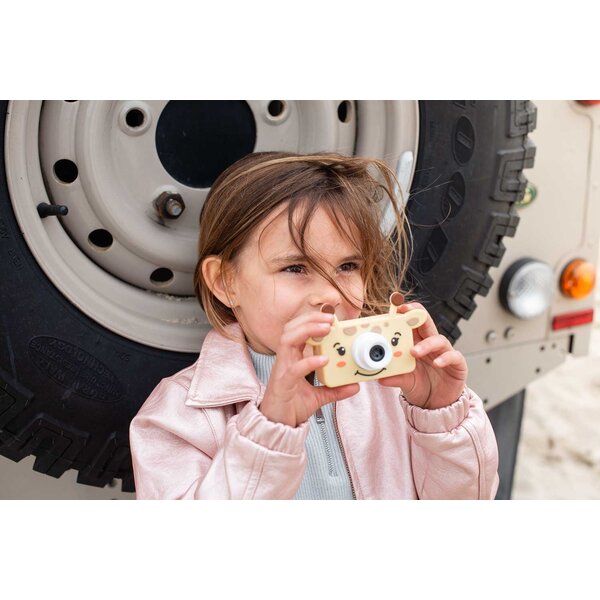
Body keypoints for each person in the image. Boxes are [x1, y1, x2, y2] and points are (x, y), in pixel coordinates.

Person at [129, 151, 499, 500]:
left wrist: (441, 416)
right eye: (295, 268)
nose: (330, 295)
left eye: (348, 266)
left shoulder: (395, 389)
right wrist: (271, 428)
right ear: (225, 282)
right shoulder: (176, 417)